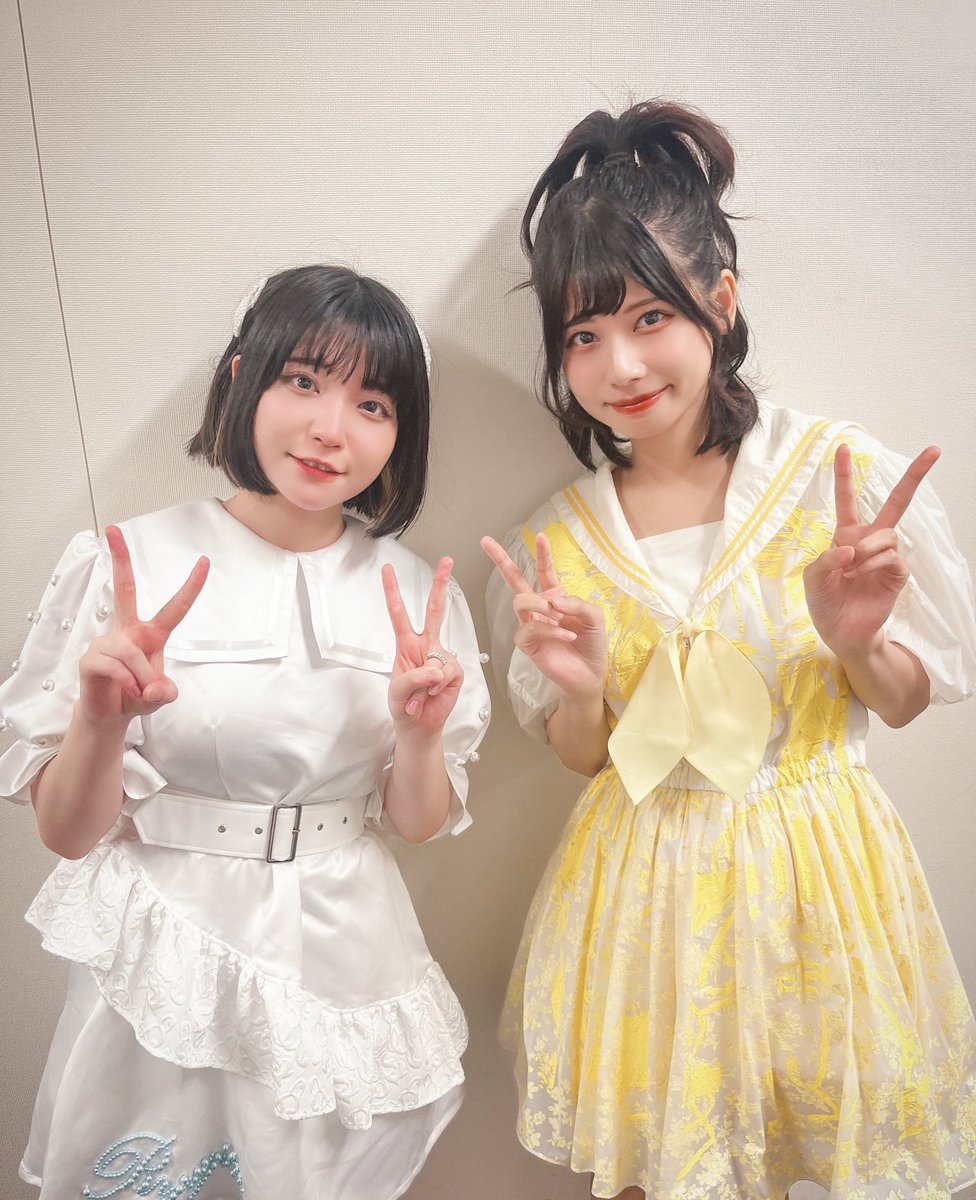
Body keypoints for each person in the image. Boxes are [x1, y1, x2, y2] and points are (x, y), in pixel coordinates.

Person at [483, 101, 976, 1200]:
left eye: (649, 315)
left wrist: (855, 642)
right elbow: (587, 758)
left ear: (720, 301)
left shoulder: (831, 477)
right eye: (581, 335)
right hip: (643, 895)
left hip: (820, 877)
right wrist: (578, 694)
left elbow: (901, 702)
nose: (618, 364)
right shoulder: (558, 539)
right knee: (657, 1172)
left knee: (836, 1152)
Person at [0, 264, 490, 1200]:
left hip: (346, 944)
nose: (331, 428)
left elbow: (417, 823)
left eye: (373, 404)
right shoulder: (130, 562)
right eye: (302, 380)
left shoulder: (415, 593)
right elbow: (66, 833)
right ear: (240, 380)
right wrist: (100, 718)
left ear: (402, 433)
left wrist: (420, 734)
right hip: (172, 947)